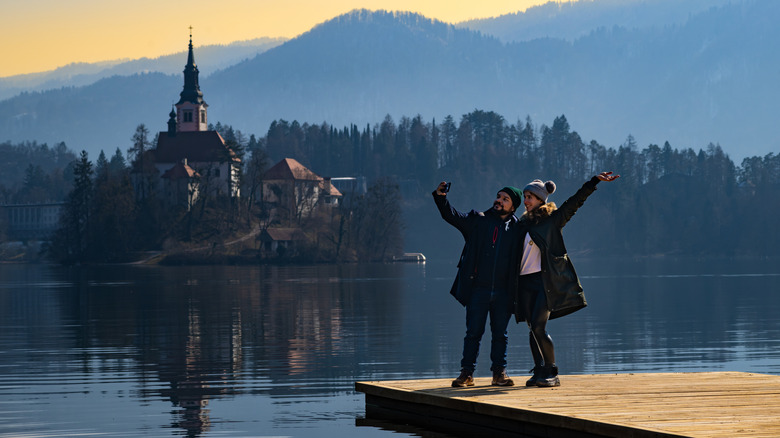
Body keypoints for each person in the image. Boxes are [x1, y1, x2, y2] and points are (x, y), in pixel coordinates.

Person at [515, 171, 619, 387]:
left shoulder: (553, 221)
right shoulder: (522, 225)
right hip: (524, 284)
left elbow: (575, 202)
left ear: (541, 200)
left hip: (546, 283)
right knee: (531, 329)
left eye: (529, 197)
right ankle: (539, 371)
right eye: (524, 197)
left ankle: (552, 372)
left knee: (538, 328)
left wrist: (593, 182)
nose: (525, 201)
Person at [433, 181, 524, 387]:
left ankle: (499, 374)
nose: (499, 200)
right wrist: (441, 197)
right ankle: (467, 374)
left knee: (501, 334)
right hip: (478, 290)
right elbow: (452, 216)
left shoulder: (519, 229)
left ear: (513, 206)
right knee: (473, 333)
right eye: (499, 196)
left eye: (505, 199)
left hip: (504, 292)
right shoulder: (478, 220)